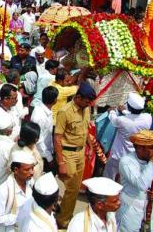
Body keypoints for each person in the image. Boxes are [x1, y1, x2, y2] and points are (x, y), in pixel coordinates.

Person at [54, 82, 96, 228]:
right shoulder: (64, 112)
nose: (89, 103)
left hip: (81, 153)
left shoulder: (86, 108)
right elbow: (57, 138)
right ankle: (63, 220)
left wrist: (90, 146)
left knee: (75, 190)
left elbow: (85, 129)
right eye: (86, 101)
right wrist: (61, 162)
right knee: (71, 189)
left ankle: (63, 213)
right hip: (68, 154)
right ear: (78, 97)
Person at [116, 130, 153, 232]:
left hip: (150, 212)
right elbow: (141, 184)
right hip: (130, 212)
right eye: (151, 148)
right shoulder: (126, 161)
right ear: (139, 148)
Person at [103, 92, 152, 181]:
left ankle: (105, 194)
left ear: (128, 106)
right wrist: (124, 111)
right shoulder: (148, 118)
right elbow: (135, 116)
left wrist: (112, 111)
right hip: (134, 156)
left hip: (118, 156)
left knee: (109, 178)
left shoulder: (122, 120)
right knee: (125, 180)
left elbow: (113, 119)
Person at [0, 150, 36, 232]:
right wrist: (19, 217)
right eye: (27, 169)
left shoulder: (31, 184)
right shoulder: (3, 191)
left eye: (32, 168)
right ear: (16, 170)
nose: (32, 172)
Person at [31, 86, 59, 173]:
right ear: (54, 100)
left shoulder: (46, 110)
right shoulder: (39, 116)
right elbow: (38, 140)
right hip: (42, 155)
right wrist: (49, 158)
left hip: (47, 151)